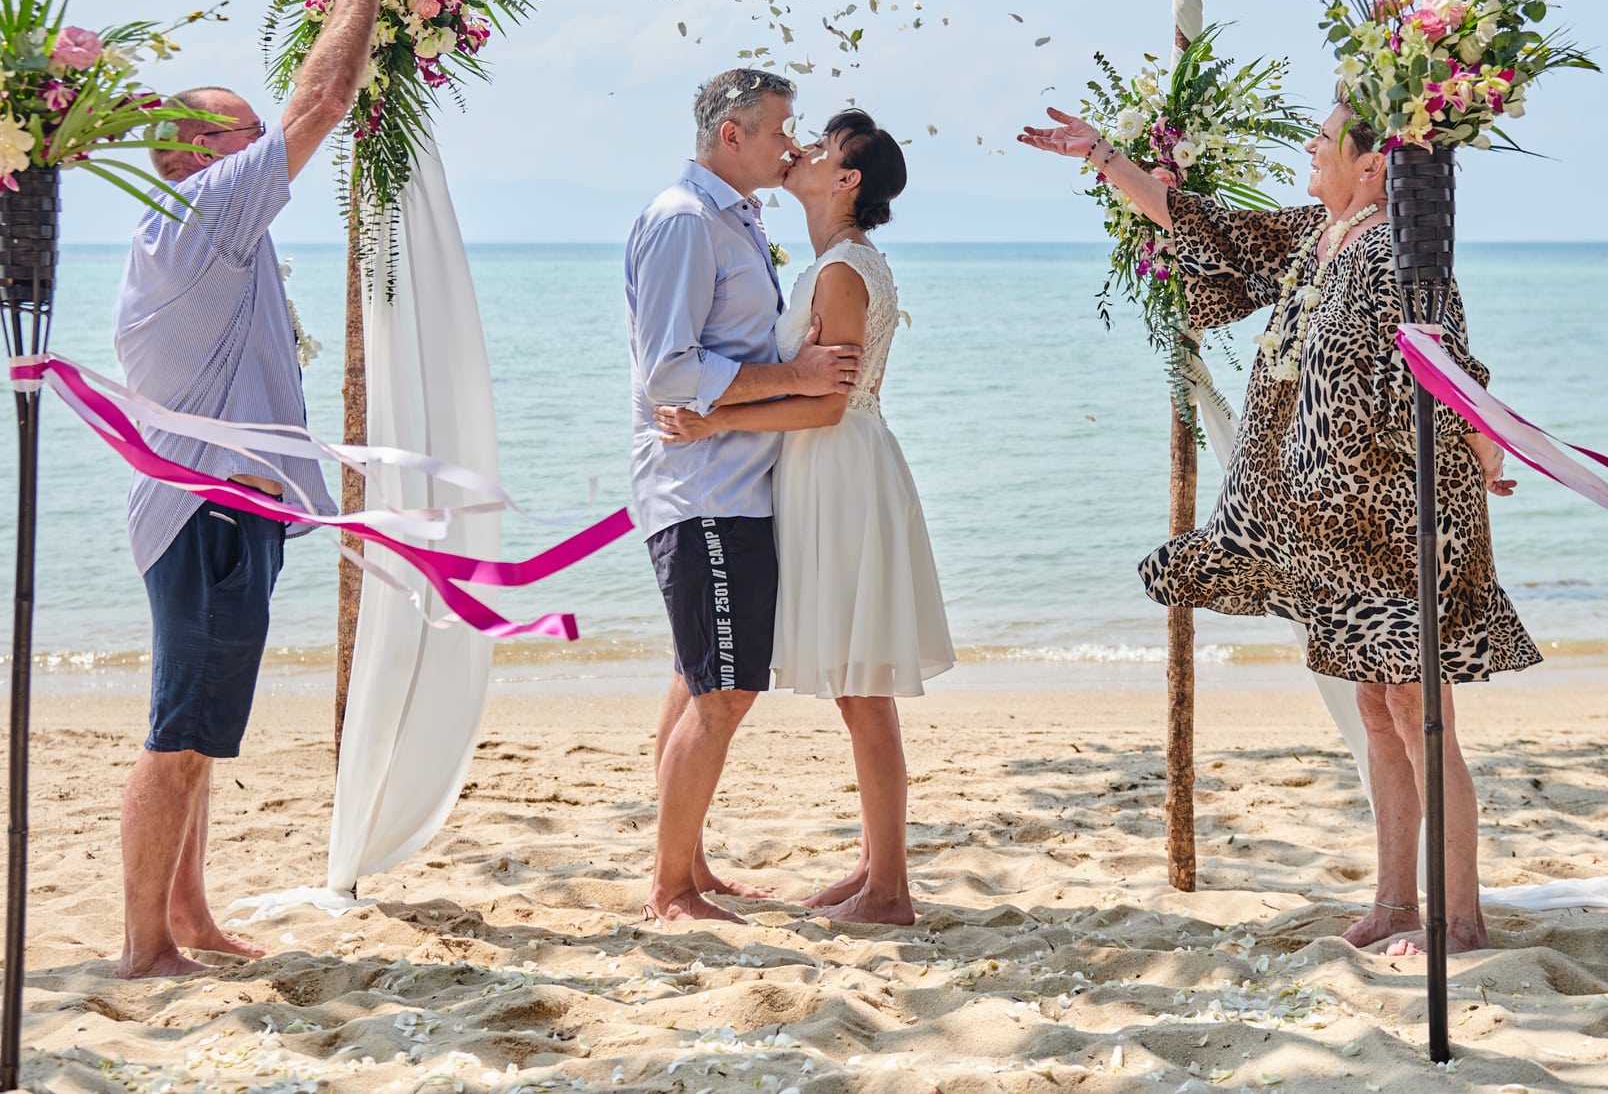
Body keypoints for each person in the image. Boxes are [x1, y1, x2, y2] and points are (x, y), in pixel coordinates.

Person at [1019, 96, 1538, 957]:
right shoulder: (1317, 235)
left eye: (1325, 135)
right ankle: (1395, 903)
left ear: (1373, 164)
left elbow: (1448, 360)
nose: (1309, 143)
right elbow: (1210, 229)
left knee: (1420, 715)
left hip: (1401, 525)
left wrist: (1486, 446)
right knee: (1377, 713)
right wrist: (1108, 158)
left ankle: (1462, 919)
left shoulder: (1400, 252)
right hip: (1338, 536)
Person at [108, 0, 405, 977]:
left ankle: (186, 916)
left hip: (223, 513)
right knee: (182, 736)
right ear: (198, 155)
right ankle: (145, 945)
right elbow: (322, 100)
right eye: (246, 138)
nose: (265, 152)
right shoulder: (200, 213)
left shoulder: (194, 233)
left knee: (199, 732)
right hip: (210, 519)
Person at [656, 110, 952, 925]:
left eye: (820, 149)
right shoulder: (837, 264)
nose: (803, 153)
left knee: (864, 688)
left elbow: (824, 407)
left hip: (841, 472)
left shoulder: (842, 273)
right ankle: (872, 871)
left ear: (847, 179)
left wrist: (714, 422)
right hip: (833, 472)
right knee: (861, 686)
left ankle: (888, 888)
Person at [625, 69, 866, 923]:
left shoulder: (740, 215)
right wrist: (794, 376)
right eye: (777, 131)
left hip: (734, 483)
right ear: (732, 134)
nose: (790, 145)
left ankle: (685, 862)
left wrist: (781, 389)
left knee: (699, 683)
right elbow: (671, 372)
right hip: (705, 490)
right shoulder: (686, 223)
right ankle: (670, 887)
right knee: (724, 692)